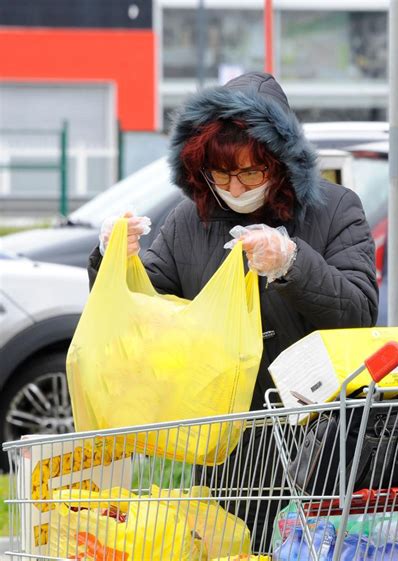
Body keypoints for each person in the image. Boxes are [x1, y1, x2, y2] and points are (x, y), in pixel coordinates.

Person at [88, 71, 378, 549]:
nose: (234, 185)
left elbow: (359, 311)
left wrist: (293, 264)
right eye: (219, 174)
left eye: (249, 171)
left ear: (280, 162)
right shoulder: (190, 221)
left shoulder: (335, 210)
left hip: (317, 438)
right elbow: (144, 314)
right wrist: (114, 261)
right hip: (227, 444)